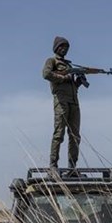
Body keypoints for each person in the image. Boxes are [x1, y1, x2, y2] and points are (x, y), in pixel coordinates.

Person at [42, 36, 85, 175]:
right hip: (61, 101)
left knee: (75, 136)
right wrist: (63, 77)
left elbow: (72, 86)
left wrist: (78, 81)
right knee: (59, 133)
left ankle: (72, 167)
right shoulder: (52, 61)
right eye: (62, 46)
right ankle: (53, 166)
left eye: (66, 47)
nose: (64, 49)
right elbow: (46, 74)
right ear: (56, 48)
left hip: (74, 102)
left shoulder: (69, 65)